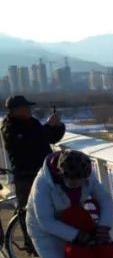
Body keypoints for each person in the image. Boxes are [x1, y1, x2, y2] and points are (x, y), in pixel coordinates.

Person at [2, 95, 66, 246]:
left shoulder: (33, 122)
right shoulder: (9, 128)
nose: (28, 110)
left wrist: (57, 126)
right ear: (15, 110)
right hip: (26, 175)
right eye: (25, 108)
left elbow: (49, 137)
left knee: (50, 207)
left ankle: (51, 240)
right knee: (28, 210)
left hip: (44, 172)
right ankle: (31, 243)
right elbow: (29, 141)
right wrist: (48, 126)